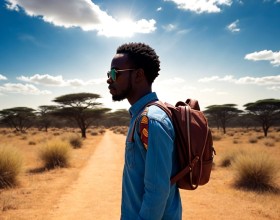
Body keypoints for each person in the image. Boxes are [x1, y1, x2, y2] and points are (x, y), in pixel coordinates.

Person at [107, 42, 182, 220]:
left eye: (115, 73)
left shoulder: (151, 120)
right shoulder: (141, 116)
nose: (109, 79)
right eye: (109, 73)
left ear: (138, 75)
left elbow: (157, 190)